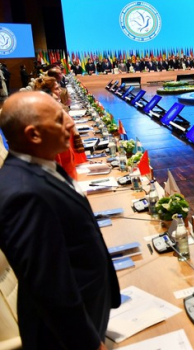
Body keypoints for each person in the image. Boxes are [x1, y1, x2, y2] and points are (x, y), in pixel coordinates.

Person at [0, 92, 120, 350]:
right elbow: (50, 287)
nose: (70, 123)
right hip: (64, 339)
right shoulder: (22, 194)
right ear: (33, 135)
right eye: (58, 119)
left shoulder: (40, 166)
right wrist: (89, 345)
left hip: (90, 312)